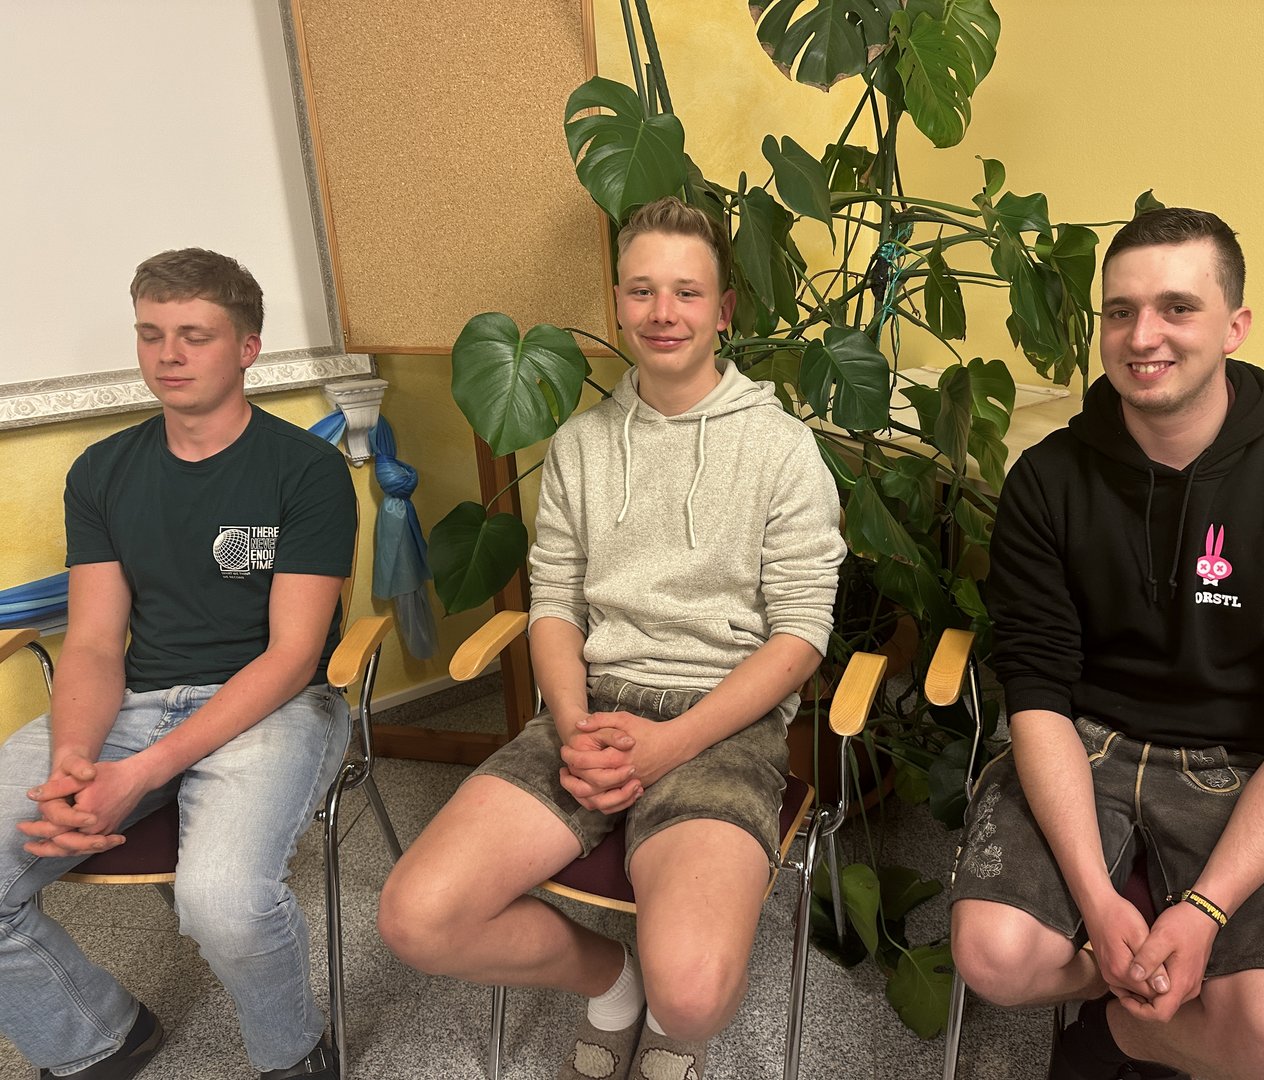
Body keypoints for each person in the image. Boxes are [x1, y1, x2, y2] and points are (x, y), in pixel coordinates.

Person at [378, 196, 845, 1080]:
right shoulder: (583, 445)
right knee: (416, 919)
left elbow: (800, 634)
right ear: (619, 304)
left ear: (723, 310)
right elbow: (554, 602)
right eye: (641, 291)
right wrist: (572, 724)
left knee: (694, 997)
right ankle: (613, 980)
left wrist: (671, 743)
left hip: (721, 719)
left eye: (687, 292)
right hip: (591, 706)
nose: (663, 313)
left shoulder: (783, 450)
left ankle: (666, 1003)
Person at [948, 208, 1264, 1080]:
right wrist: (1096, 898)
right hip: (1083, 743)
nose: (1143, 336)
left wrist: (1204, 912)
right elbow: (1036, 690)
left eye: (1177, 308)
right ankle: (1152, 982)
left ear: (1234, 327)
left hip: (1244, 763)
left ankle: (1121, 1029)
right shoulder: (1047, 479)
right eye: (1120, 312)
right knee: (993, 956)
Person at [0, 249, 358, 1080]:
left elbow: (292, 655)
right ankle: (101, 1037)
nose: (168, 355)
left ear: (247, 348)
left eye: (194, 336)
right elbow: (95, 643)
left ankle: (293, 1054)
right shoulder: (102, 471)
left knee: (224, 906)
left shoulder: (306, 470)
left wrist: (139, 774)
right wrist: (75, 762)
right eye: (151, 334)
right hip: (136, 699)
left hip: (274, 705)